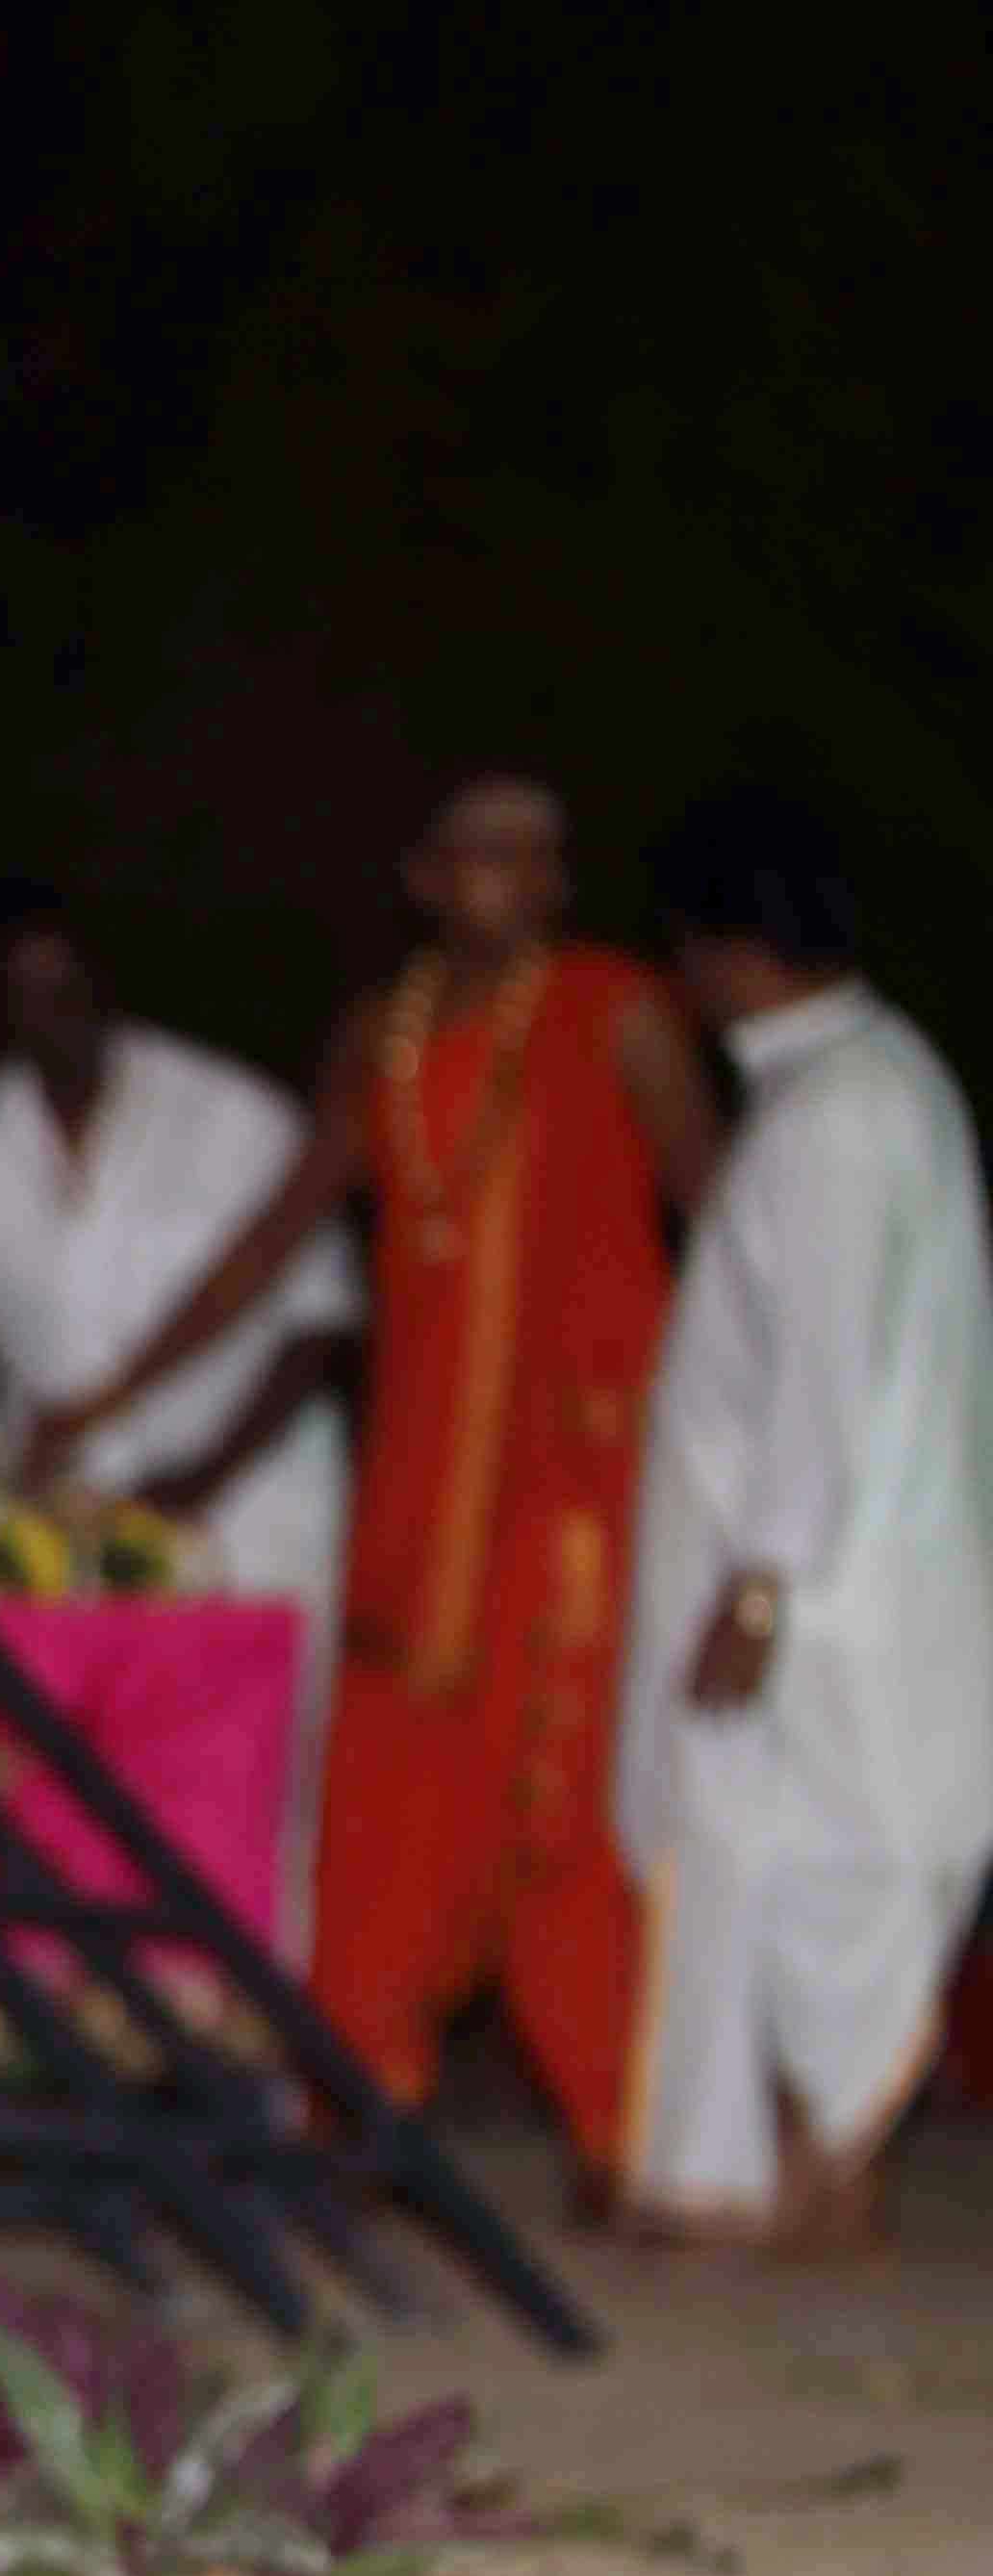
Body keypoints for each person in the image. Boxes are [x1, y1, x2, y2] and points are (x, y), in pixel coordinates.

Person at [28, 777, 720, 2204]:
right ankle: (361, 2097)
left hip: (579, 1480)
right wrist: (107, 1395)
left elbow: (727, 1216)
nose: (514, 878)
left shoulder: (619, 1012)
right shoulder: (379, 1037)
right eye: (483, 852)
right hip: (419, 1473)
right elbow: (275, 1239)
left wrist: (752, 1427)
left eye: (539, 855)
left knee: (566, 1790)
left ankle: (623, 2127)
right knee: (387, 1789)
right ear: (424, 876)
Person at [614, 789, 993, 2254]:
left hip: (822, 1589)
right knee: (756, 1859)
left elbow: (823, 1371)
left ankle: (817, 2179)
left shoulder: (843, 1116)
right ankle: (752, 2174)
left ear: (720, 952)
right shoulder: (853, 1087)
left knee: (831, 1867)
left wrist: (764, 1583)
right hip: (809, 1573)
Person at [0, 883, 351, 1949]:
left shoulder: (233, 1118)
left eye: (67, 985)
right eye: (21, 993)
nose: (51, 1012)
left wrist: (202, 1479)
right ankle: (103, 2032)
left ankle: (259, 2033)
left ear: (108, 986)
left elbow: (317, 1329)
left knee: (256, 1799)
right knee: (82, 1806)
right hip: (73, 1544)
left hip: (249, 1510)